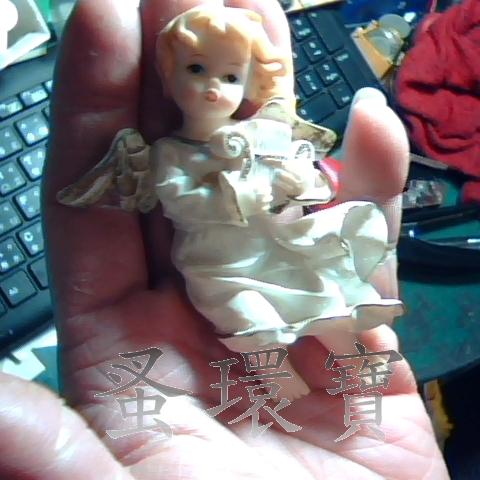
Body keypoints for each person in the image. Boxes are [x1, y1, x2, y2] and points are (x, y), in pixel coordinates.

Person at [0, 0, 450, 478]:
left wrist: (291, 178)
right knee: (247, 319)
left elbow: (297, 177)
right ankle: (280, 386)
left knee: (321, 293)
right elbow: (183, 201)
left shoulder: (258, 133)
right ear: (169, 76)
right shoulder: (169, 154)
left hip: (268, 244)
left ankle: (352, 361)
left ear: (248, 82)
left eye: (231, 76)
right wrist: (236, 181)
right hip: (215, 263)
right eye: (197, 69)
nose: (214, 87)